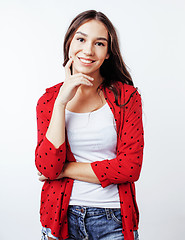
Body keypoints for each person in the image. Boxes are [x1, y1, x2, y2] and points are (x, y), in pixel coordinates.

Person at [35, 10, 144, 240]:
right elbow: (47, 166)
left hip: (114, 219)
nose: (88, 50)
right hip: (60, 218)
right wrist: (61, 103)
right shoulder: (48, 100)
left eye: (99, 43)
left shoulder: (126, 97)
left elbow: (130, 167)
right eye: (81, 39)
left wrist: (64, 170)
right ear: (69, 43)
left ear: (107, 54)